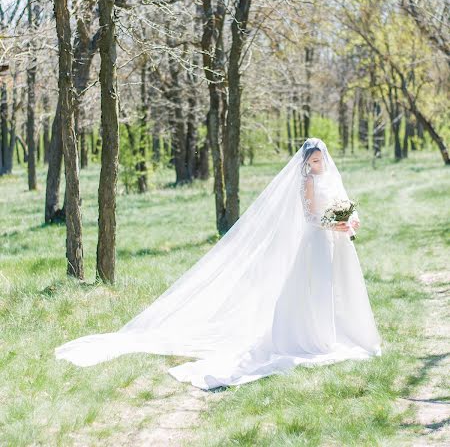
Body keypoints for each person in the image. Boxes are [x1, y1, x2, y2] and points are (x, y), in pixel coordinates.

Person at [55, 138, 382, 389]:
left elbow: (342, 206)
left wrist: (349, 221)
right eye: (311, 160)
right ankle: (315, 335)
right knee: (315, 290)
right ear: (305, 163)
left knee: (339, 289)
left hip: (335, 243)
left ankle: (343, 331)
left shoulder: (329, 178)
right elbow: (311, 216)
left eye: (319, 159)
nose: (316, 164)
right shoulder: (307, 183)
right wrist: (333, 224)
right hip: (316, 241)